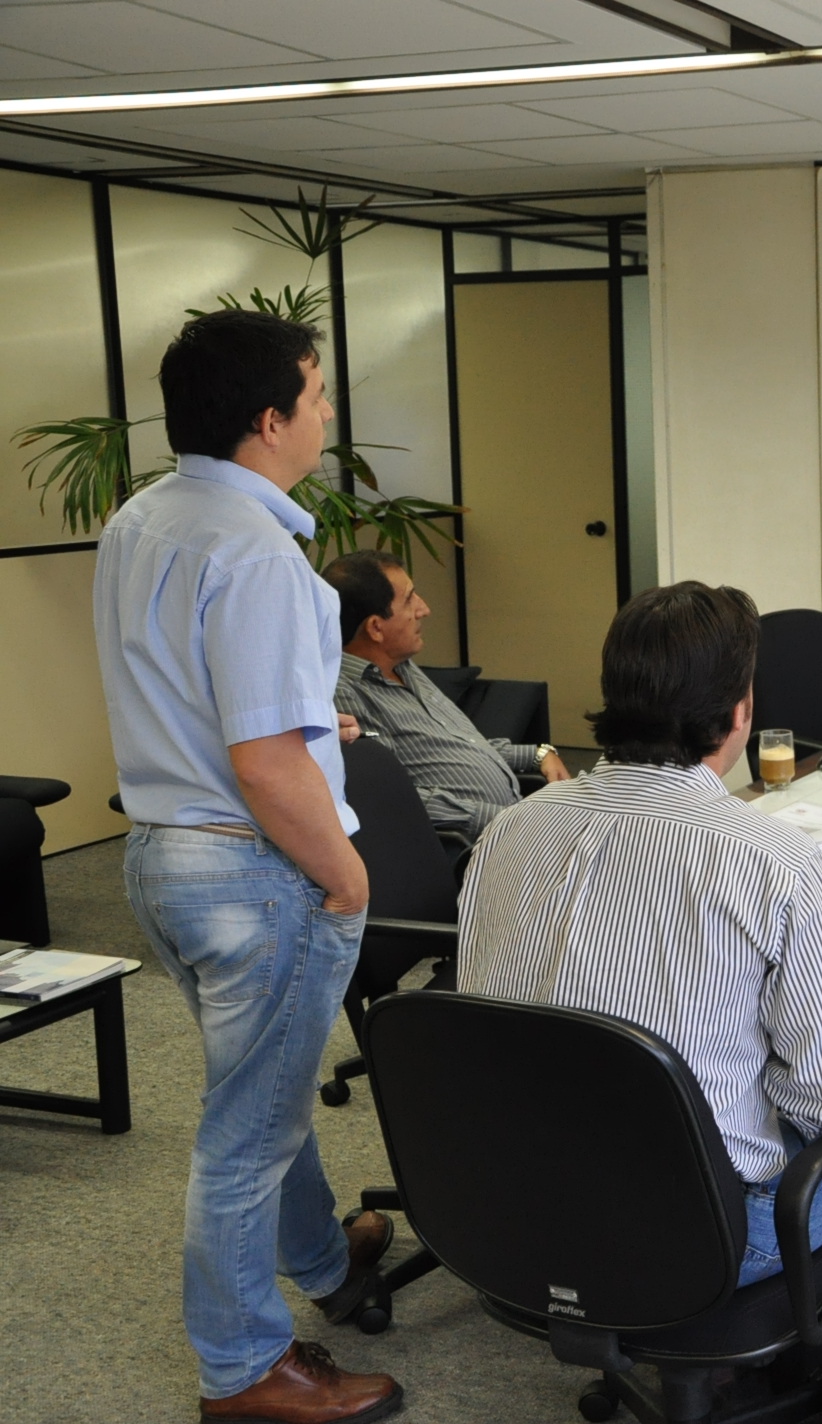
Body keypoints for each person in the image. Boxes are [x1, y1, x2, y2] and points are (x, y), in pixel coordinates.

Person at [457, 581, 822, 1424]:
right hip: (707, 1242)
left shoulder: (510, 830)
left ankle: (722, 1366)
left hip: (511, 1219)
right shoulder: (771, 859)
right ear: (739, 713)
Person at [93, 309, 402, 1422]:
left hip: (162, 856)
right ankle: (243, 1369)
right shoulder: (260, 552)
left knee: (256, 1085)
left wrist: (315, 727)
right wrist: (347, 874)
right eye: (317, 395)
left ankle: (322, 1259)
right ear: (270, 419)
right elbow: (267, 769)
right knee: (245, 1133)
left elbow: (199, 693)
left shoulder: (143, 519)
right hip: (251, 869)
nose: (326, 413)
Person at [323, 549, 568, 837]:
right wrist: (502, 819)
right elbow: (395, 794)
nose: (423, 609)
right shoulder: (345, 694)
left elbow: (462, 744)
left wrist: (538, 754)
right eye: (410, 599)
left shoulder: (403, 666)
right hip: (470, 845)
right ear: (376, 628)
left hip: (513, 825)